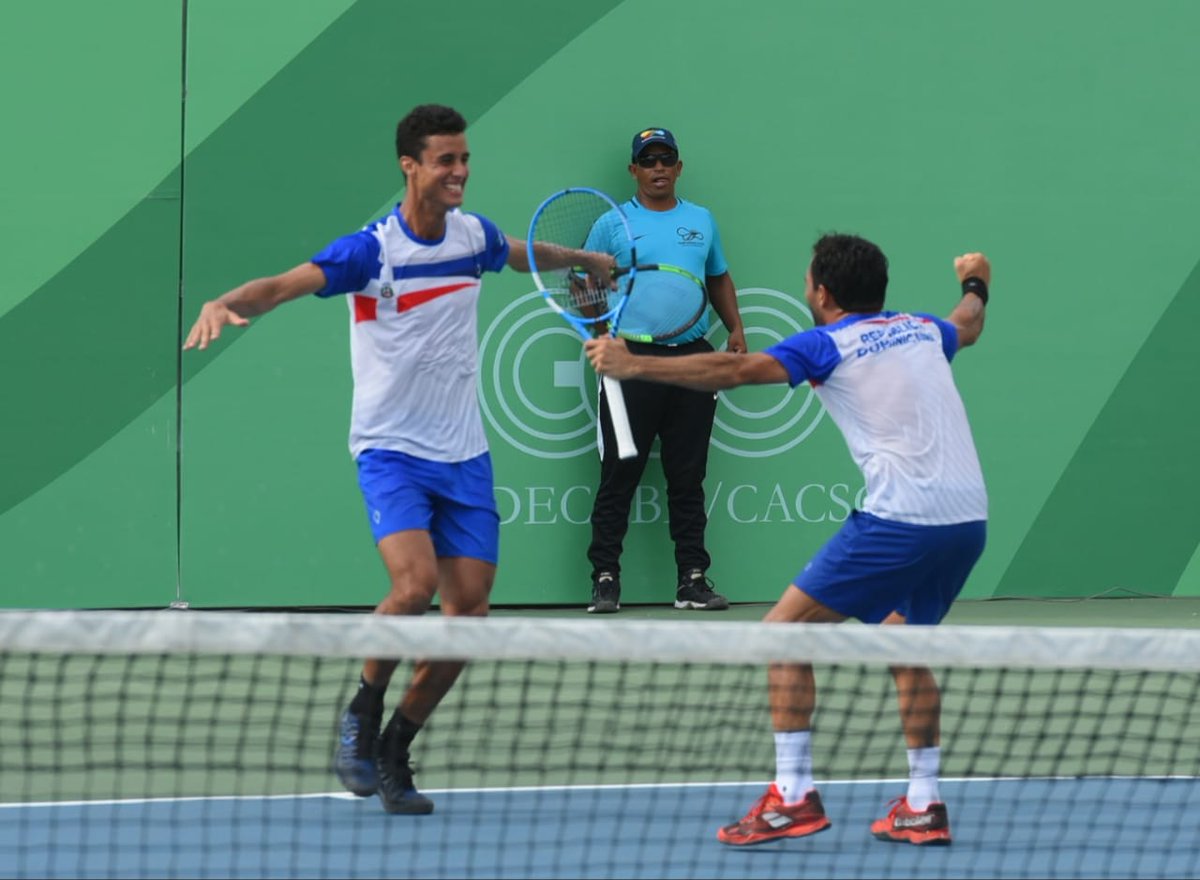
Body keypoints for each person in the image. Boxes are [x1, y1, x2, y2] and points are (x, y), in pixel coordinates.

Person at [183, 104, 612, 815]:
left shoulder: (472, 237)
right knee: (412, 588)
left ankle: (396, 748)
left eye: (465, 159)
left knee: (468, 615)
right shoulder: (370, 252)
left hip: (465, 454)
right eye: (445, 160)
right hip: (391, 450)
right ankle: (363, 706)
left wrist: (586, 261)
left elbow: (519, 252)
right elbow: (285, 285)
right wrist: (227, 301)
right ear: (409, 166)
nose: (461, 172)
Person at [585, 233, 990, 846]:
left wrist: (634, 364)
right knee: (903, 643)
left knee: (784, 633)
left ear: (822, 293)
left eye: (807, 282)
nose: (806, 289)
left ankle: (794, 797)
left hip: (900, 519)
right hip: (967, 522)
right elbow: (971, 320)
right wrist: (976, 280)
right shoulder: (923, 329)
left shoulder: (825, 344)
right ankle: (923, 803)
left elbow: (734, 368)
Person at [583, 127, 747, 614]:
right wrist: (600, 331)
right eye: (647, 160)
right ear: (634, 170)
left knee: (687, 476)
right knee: (620, 472)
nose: (657, 168)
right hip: (629, 359)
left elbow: (717, 277)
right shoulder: (613, 223)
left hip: (692, 359)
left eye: (666, 159)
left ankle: (692, 580)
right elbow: (584, 281)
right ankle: (605, 578)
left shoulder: (701, 221)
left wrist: (735, 329)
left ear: (678, 168)